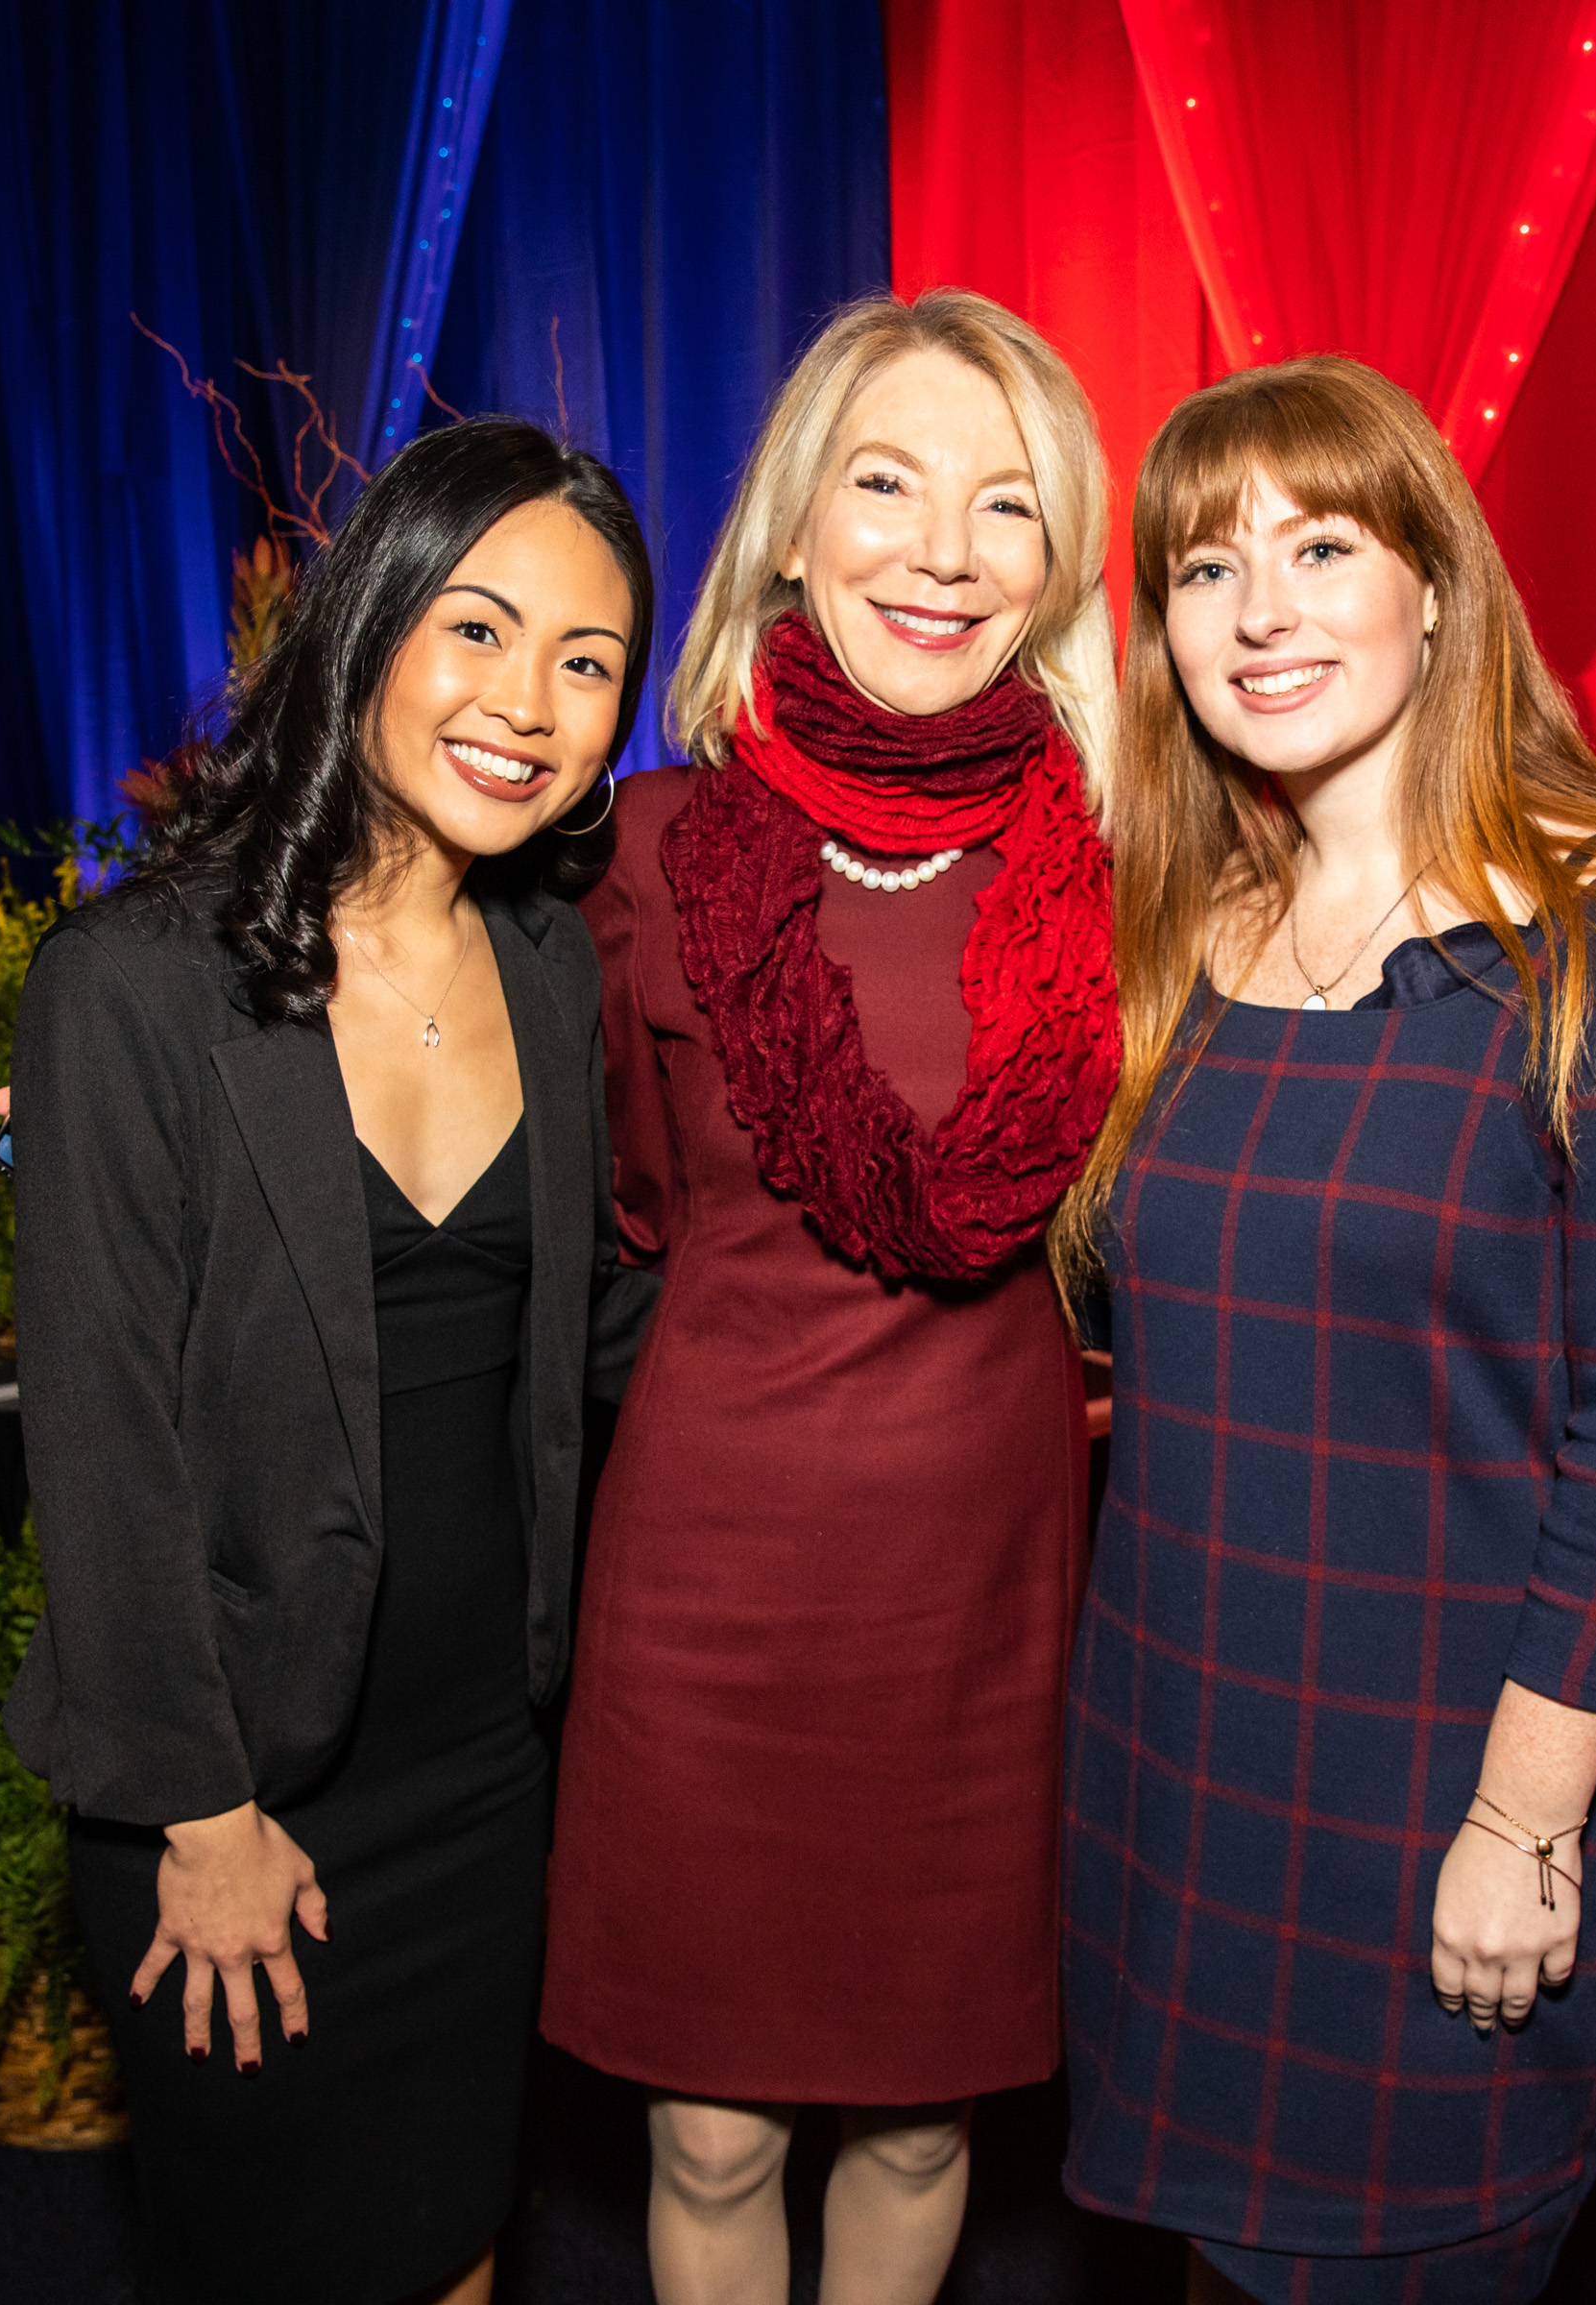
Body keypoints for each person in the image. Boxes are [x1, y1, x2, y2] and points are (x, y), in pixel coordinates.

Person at [1052, 356, 1596, 2302]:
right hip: (1183, 1769)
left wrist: (1521, 1823)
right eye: (1207, 573)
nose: (1265, 612)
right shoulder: (1184, 943)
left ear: (1440, 587)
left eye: (1321, 547)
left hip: (1443, 1784)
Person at [4, 419, 660, 2305]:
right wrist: (193, 1813)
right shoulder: (131, 984)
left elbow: (597, 1328)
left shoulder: (556, 970)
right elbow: (103, 1439)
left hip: (486, 1775)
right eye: (479, 627)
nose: (526, 702)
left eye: (586, 662)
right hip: (244, 1783)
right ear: (372, 623)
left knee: (457, 2242)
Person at [541, 287, 1123, 2305]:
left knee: (917, 2109)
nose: (942, 552)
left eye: (1005, 505)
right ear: (793, 521)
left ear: (1059, 568)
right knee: (703, 2129)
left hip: (978, 1581)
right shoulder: (642, 854)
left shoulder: (1123, 868)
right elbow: (613, 1202)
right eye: (886, 484)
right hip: (711, 1568)